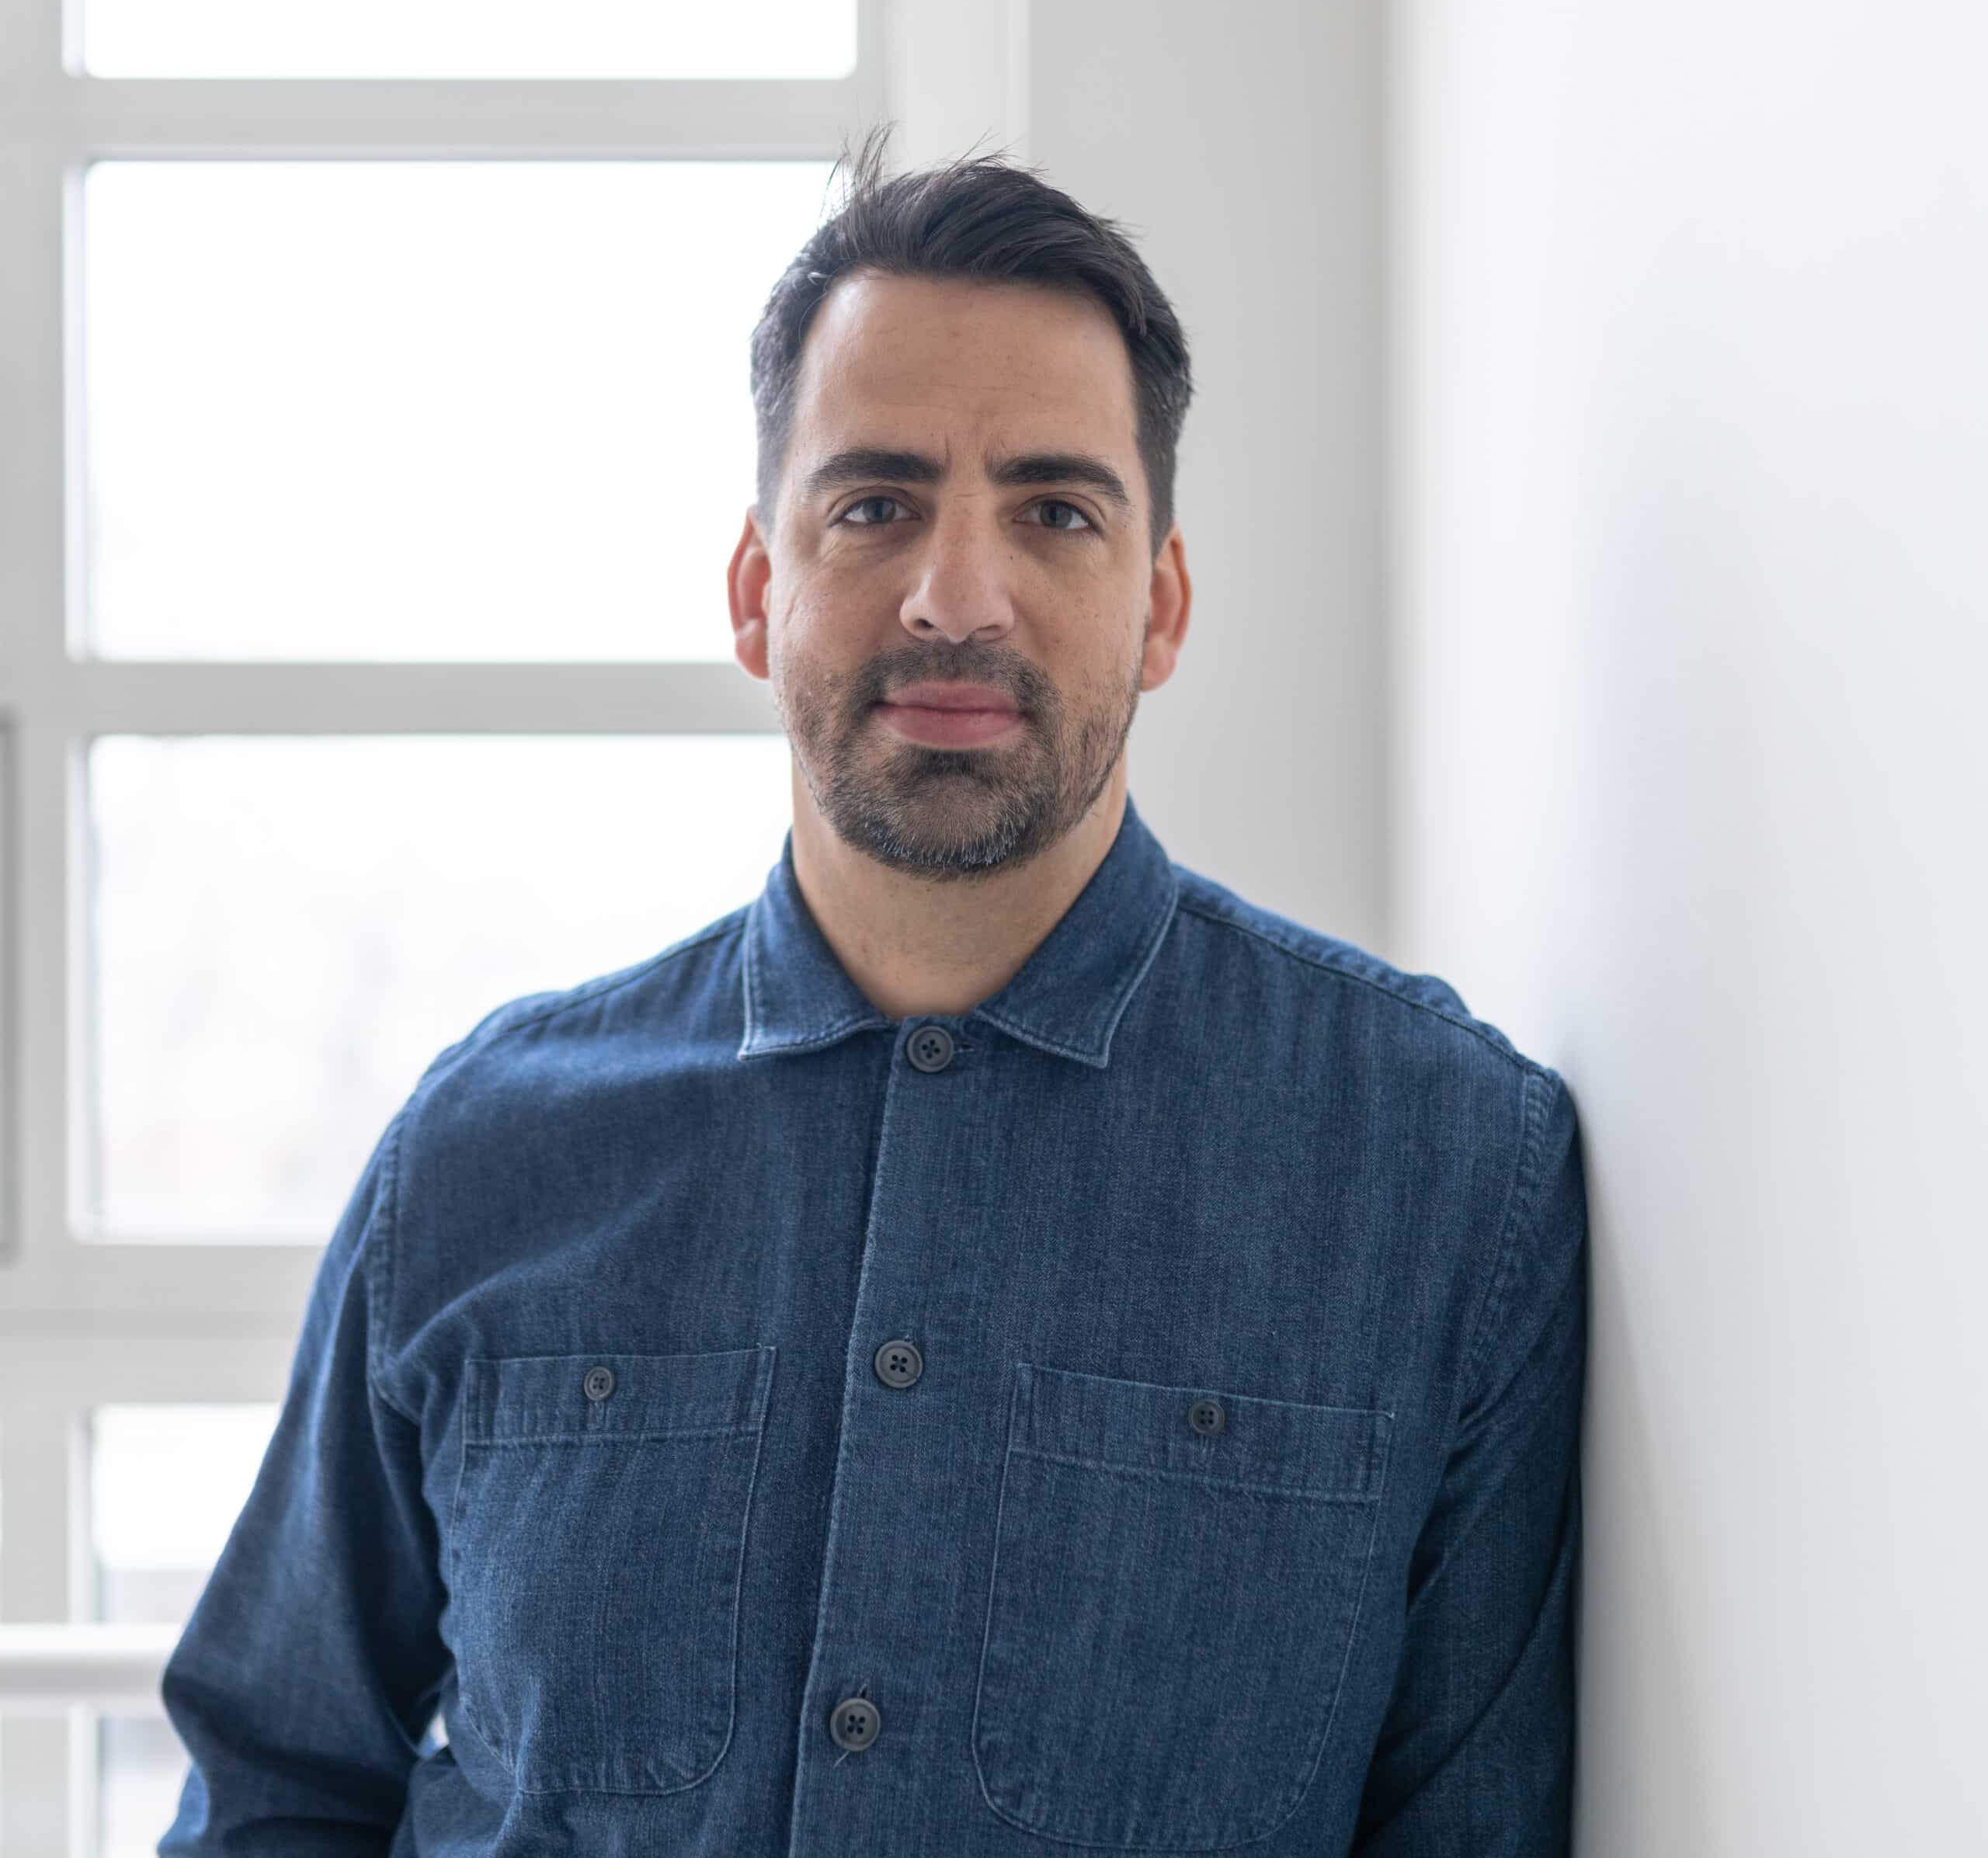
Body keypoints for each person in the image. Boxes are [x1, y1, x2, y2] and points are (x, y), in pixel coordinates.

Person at [158, 123, 1588, 1856]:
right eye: (874, 505)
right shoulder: (479, 1157)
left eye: (1054, 511)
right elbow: (275, 1779)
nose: (954, 598)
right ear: (760, 592)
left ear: (1159, 605)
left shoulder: (1446, 1170)